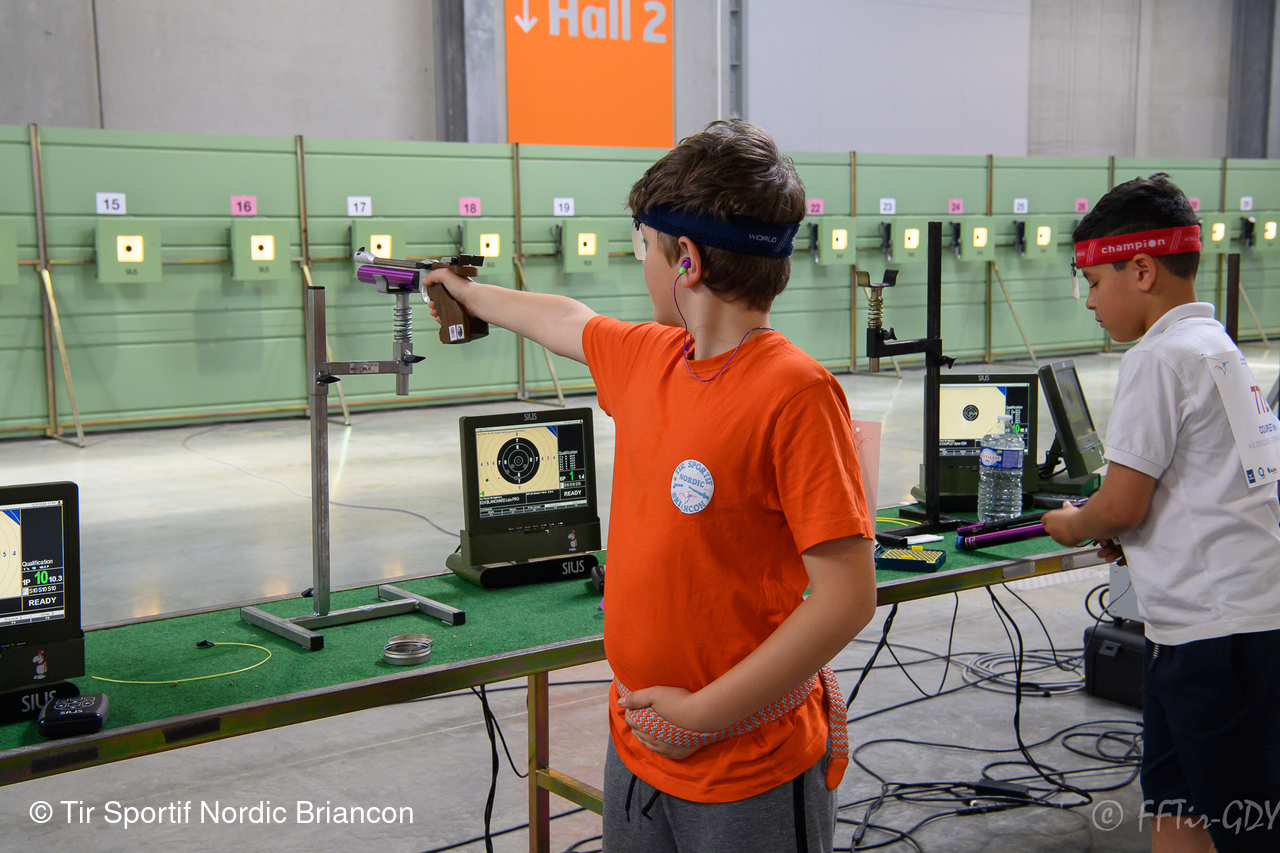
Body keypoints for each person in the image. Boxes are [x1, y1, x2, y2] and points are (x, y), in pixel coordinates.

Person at [424, 120, 877, 852]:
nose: (641, 265)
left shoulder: (796, 393)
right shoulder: (653, 357)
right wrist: (467, 294)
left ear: (685, 260)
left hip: (747, 765)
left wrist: (701, 715)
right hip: (639, 742)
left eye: (644, 248)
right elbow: (566, 320)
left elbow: (846, 597)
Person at [1043, 173, 1280, 853]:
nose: (1090, 302)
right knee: (1176, 800)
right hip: (1210, 624)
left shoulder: (1157, 357)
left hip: (1217, 635)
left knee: (1243, 823)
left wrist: (1075, 523)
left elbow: (1120, 504)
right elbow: (1213, 484)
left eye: (1094, 283)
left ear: (1142, 270)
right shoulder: (1216, 346)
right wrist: (1142, 535)